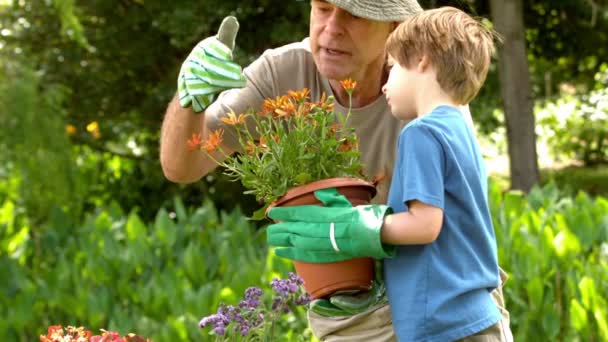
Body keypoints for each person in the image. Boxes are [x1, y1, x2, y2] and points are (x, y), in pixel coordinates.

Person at [160, 1, 510, 340]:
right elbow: (181, 166)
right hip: (349, 311)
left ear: (393, 28)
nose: (331, 29)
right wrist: (190, 99)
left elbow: (443, 226)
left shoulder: (431, 102)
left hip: (442, 305)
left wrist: (354, 227)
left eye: (354, 16)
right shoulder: (282, 71)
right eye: (323, 8)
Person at [267, 6, 513, 341]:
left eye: (394, 67)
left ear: (423, 61)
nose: (386, 85)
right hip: (478, 314)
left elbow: (426, 224)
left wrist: (353, 228)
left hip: (444, 323)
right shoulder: (458, 128)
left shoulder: (419, 132)